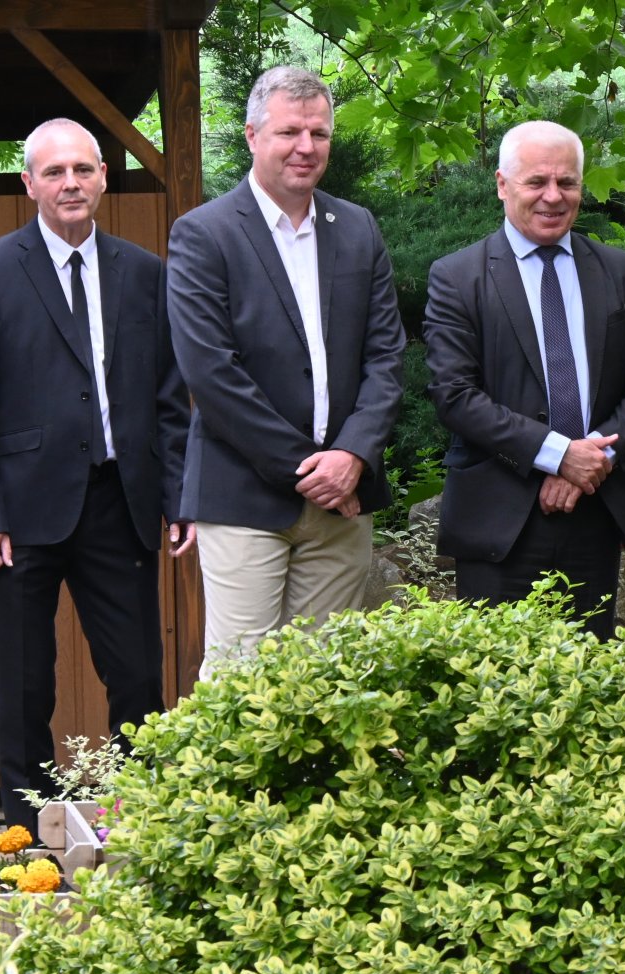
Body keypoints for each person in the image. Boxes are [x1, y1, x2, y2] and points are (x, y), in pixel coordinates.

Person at [0, 119, 192, 832]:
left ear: (104, 176)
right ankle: (27, 837)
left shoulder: (144, 272)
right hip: (19, 510)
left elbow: (169, 399)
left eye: (82, 169)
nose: (70, 183)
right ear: (29, 184)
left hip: (118, 501)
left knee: (137, 677)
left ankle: (145, 829)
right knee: (23, 687)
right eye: (54, 172)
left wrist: (178, 497)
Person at [168, 65, 405, 676]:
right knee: (242, 684)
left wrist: (352, 455)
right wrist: (312, 470)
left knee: (327, 681)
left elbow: (386, 356)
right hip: (245, 493)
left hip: (343, 499)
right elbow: (212, 374)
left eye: (319, 134)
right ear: (252, 136)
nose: (306, 147)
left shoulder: (357, 227)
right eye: (289, 132)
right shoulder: (204, 234)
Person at [423, 121, 625, 638]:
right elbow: (455, 396)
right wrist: (558, 454)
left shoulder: (617, 270)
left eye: (568, 182)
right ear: (502, 184)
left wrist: (592, 461)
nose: (553, 197)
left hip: (594, 509)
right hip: (500, 518)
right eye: (537, 182)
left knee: (590, 680)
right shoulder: (458, 277)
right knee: (497, 691)